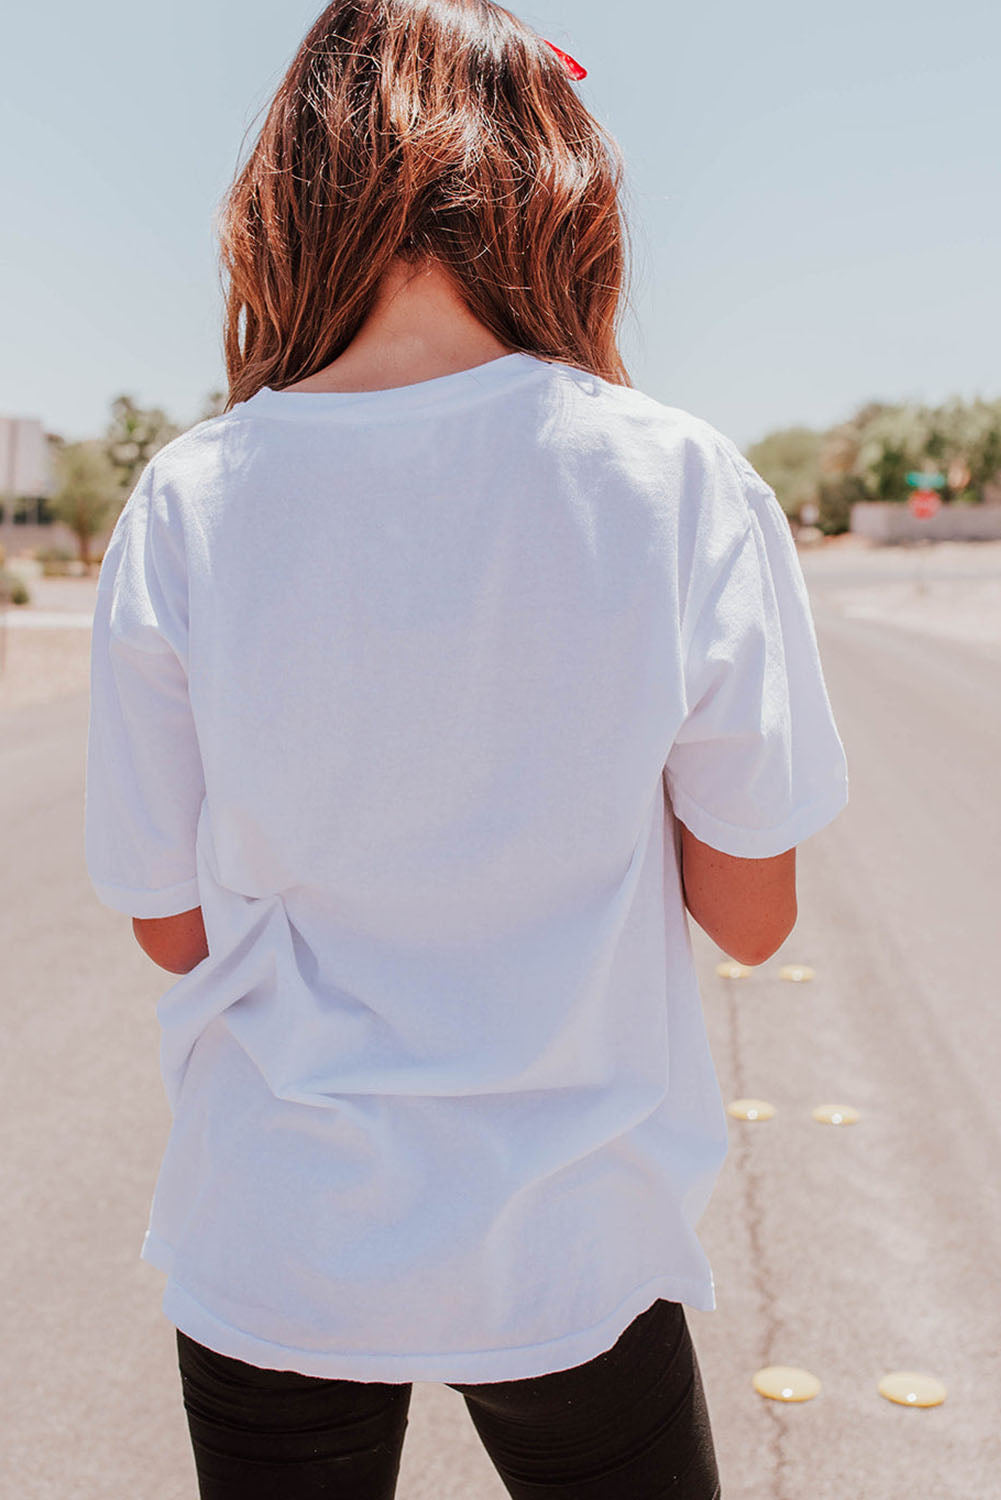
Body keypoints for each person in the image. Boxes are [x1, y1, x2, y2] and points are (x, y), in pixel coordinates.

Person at [84, 2, 849, 1495]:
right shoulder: (672, 479)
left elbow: (169, 930)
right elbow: (753, 918)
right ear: (555, 183)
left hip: (277, 1228)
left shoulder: (188, 497)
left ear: (293, 189)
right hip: (571, 1235)